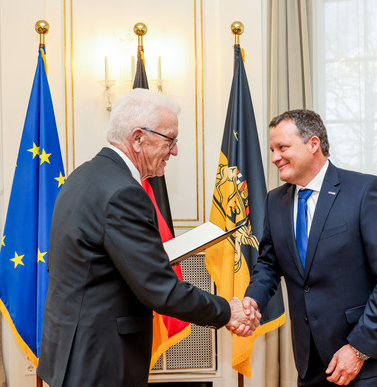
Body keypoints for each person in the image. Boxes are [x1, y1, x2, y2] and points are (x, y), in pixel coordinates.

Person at [37, 88, 259, 387]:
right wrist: (227, 311)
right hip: (101, 359)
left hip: (71, 349)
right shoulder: (123, 192)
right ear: (138, 138)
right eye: (170, 139)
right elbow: (159, 289)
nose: (175, 150)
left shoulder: (82, 176)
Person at [239, 109, 377, 386]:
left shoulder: (364, 191)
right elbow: (269, 264)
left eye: (282, 147)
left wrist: (358, 349)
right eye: (272, 149)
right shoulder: (275, 201)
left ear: (313, 144)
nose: (274, 158)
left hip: (364, 361)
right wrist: (253, 299)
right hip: (310, 362)